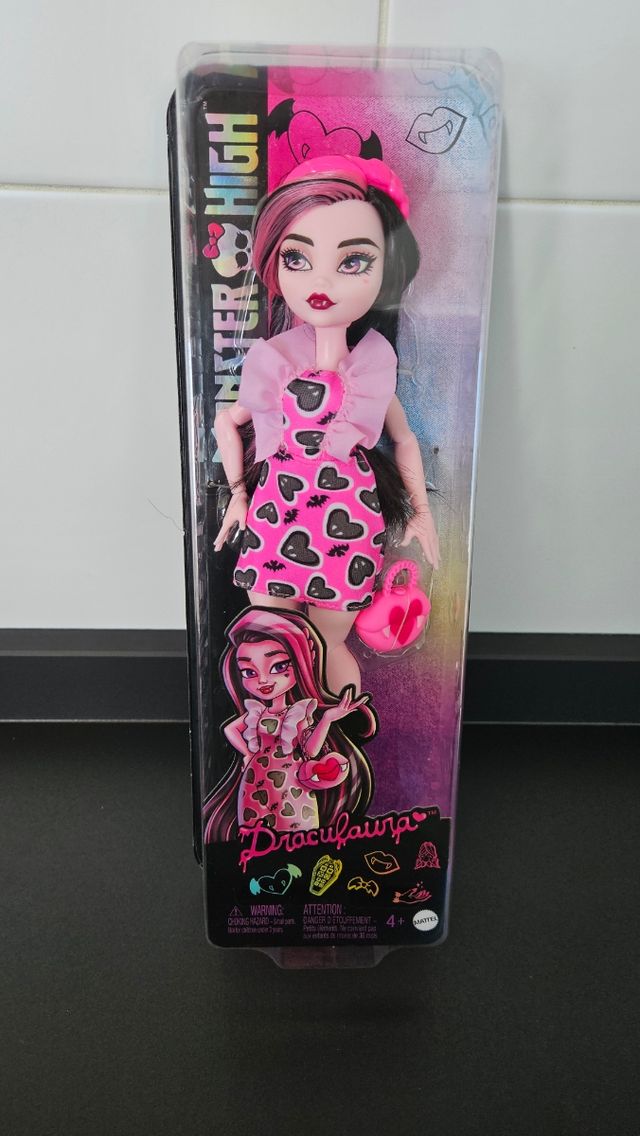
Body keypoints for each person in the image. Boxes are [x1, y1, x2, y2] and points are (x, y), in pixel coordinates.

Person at [213, 155, 439, 694]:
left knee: (330, 641)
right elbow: (227, 421)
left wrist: (422, 513)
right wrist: (238, 496)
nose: (320, 281)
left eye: (353, 261)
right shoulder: (274, 359)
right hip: (275, 513)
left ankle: (336, 732)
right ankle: (280, 735)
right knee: (272, 638)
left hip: (348, 520)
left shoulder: (372, 366)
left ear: (388, 269)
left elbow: (404, 438)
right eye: (296, 258)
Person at [203, 607, 377, 842]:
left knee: (295, 829)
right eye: (249, 672)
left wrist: (327, 718)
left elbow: (310, 751)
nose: (263, 680)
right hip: (256, 777)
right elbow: (229, 729)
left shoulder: (298, 713)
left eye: (278, 666)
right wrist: (247, 754)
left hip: (292, 779)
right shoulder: (257, 712)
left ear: (300, 662)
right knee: (255, 829)